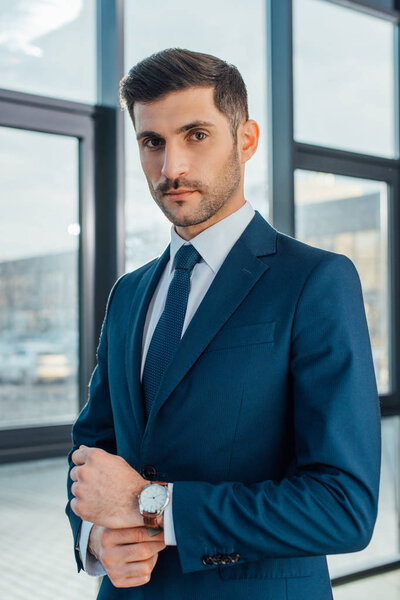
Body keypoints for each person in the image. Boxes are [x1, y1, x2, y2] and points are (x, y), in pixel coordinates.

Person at [65, 48, 381, 600]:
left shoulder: (315, 281)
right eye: (152, 142)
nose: (172, 168)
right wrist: (95, 539)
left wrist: (152, 506)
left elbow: (343, 506)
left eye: (196, 135)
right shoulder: (129, 292)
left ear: (247, 140)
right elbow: (93, 454)